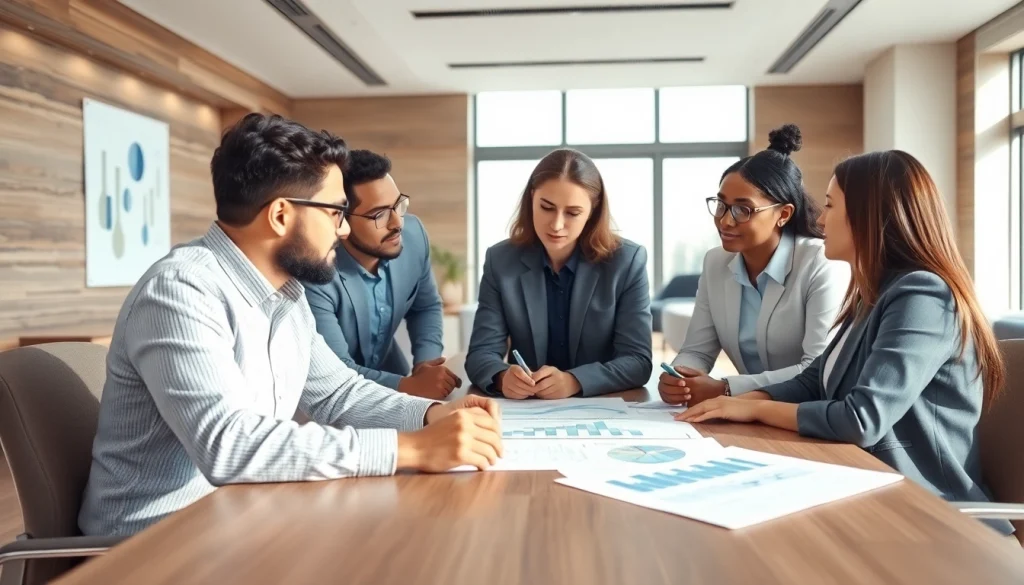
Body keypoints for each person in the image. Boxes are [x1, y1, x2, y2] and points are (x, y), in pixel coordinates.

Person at [79, 114, 502, 537]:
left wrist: (432, 415)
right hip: (151, 546)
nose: (341, 229)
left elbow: (338, 394)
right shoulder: (180, 291)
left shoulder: (287, 293)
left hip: (240, 519)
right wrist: (408, 449)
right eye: (336, 211)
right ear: (281, 215)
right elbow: (229, 445)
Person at [678, 150, 1013, 536]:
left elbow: (861, 419)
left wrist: (754, 412)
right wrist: (736, 402)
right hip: (868, 487)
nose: (819, 219)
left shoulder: (923, 296)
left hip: (931, 513)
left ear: (870, 217)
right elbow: (815, 380)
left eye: (830, 206)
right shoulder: (872, 292)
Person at [659, 124, 849, 406]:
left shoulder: (820, 263)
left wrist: (725, 388)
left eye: (742, 210)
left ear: (783, 214)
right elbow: (697, 351)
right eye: (721, 204)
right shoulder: (715, 262)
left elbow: (816, 369)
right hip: (746, 414)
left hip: (807, 412)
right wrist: (681, 376)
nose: (725, 220)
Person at [466, 148, 653, 399]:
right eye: (546, 207)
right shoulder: (500, 261)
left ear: (593, 211)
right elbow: (481, 354)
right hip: (529, 409)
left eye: (573, 213)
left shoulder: (626, 262)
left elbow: (638, 361)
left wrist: (575, 381)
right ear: (532, 198)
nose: (556, 225)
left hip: (601, 406)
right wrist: (501, 377)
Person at [305, 149, 458, 400]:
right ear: (340, 219)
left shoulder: (413, 236)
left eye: (398, 205)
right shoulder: (317, 270)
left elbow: (426, 305)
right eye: (379, 214)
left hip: (393, 377)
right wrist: (409, 386)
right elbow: (337, 372)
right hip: (333, 403)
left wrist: (426, 364)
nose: (397, 222)